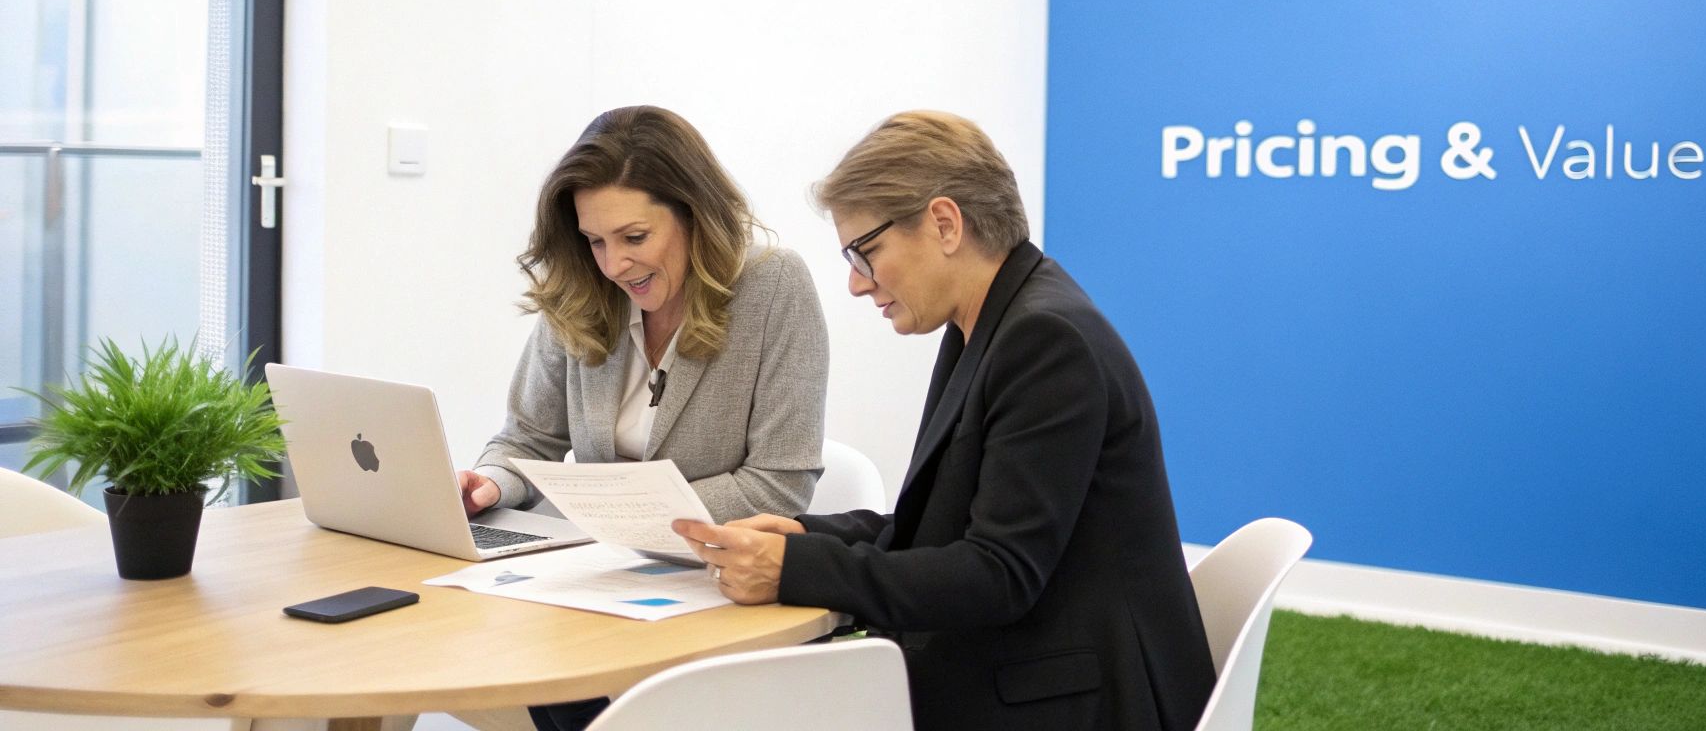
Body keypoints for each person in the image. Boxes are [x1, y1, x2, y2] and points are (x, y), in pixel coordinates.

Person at [674, 111, 1215, 731]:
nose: (855, 284)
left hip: (1079, 702)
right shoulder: (997, 320)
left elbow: (998, 574)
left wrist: (795, 570)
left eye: (865, 252)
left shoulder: (1045, 339)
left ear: (944, 223)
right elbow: (948, 525)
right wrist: (807, 536)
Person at [457, 106, 829, 731]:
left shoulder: (772, 284)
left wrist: (624, 518)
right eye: (594, 241)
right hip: (598, 584)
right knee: (529, 664)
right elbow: (527, 438)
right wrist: (491, 483)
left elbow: (780, 483)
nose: (612, 265)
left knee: (569, 686)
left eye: (634, 238)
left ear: (695, 215)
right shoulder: (582, 289)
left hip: (714, 589)